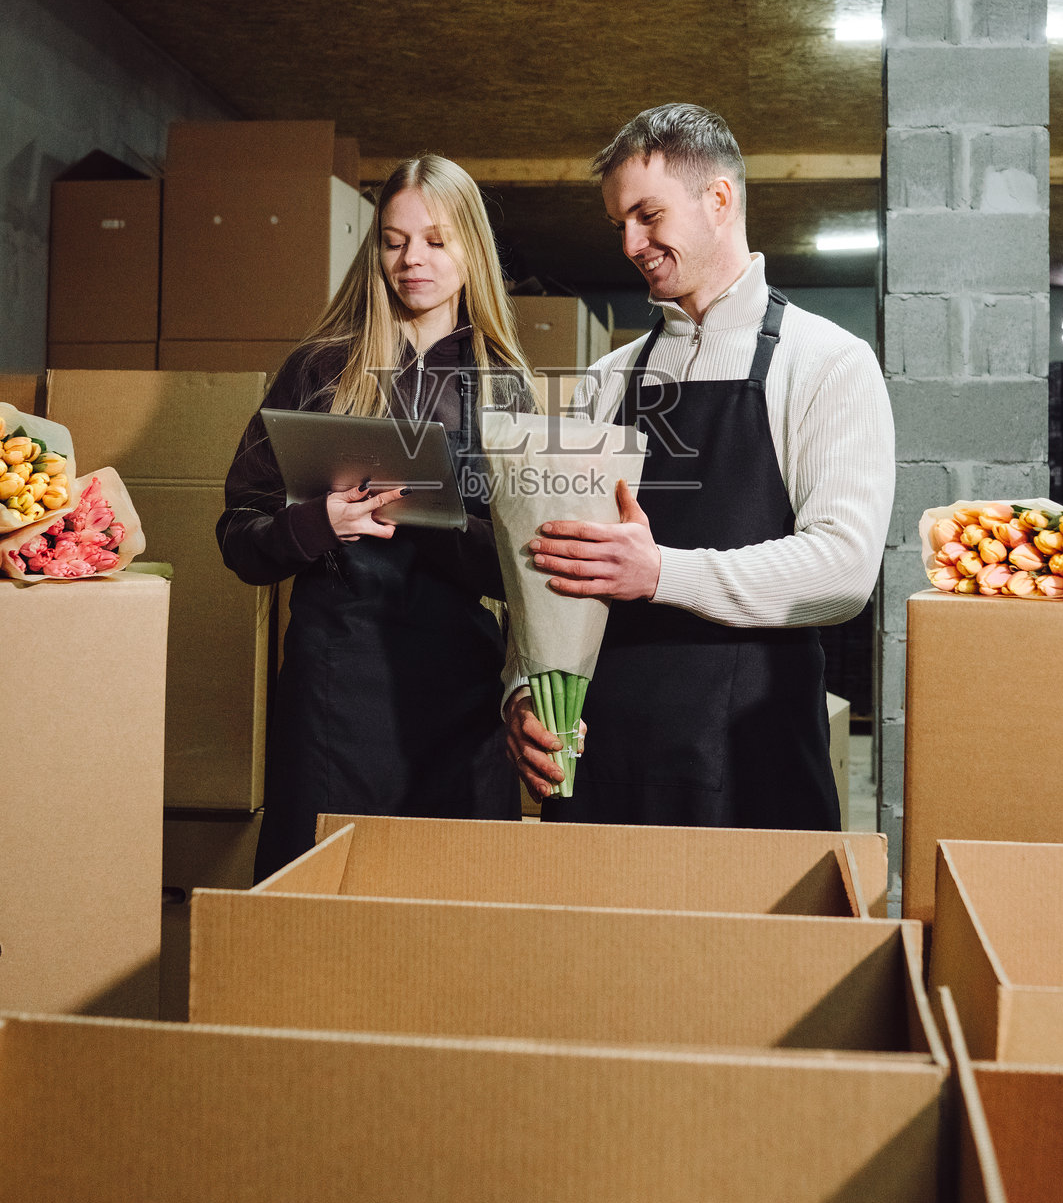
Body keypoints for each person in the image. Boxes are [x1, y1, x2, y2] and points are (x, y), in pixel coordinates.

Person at [503, 103, 895, 829]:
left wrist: (659, 573)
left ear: (718, 200)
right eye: (619, 223)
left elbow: (842, 572)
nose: (630, 242)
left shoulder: (826, 362)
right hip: (605, 763)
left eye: (648, 215)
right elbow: (555, 561)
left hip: (752, 767)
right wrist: (526, 691)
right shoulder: (608, 378)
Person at [218, 154, 536, 880]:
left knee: (455, 907)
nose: (411, 259)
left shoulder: (502, 385)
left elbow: (521, 567)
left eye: (434, 239)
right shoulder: (320, 368)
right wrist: (316, 524)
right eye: (393, 241)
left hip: (460, 685)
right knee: (320, 899)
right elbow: (239, 537)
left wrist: (435, 516)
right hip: (337, 679)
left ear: (470, 249)